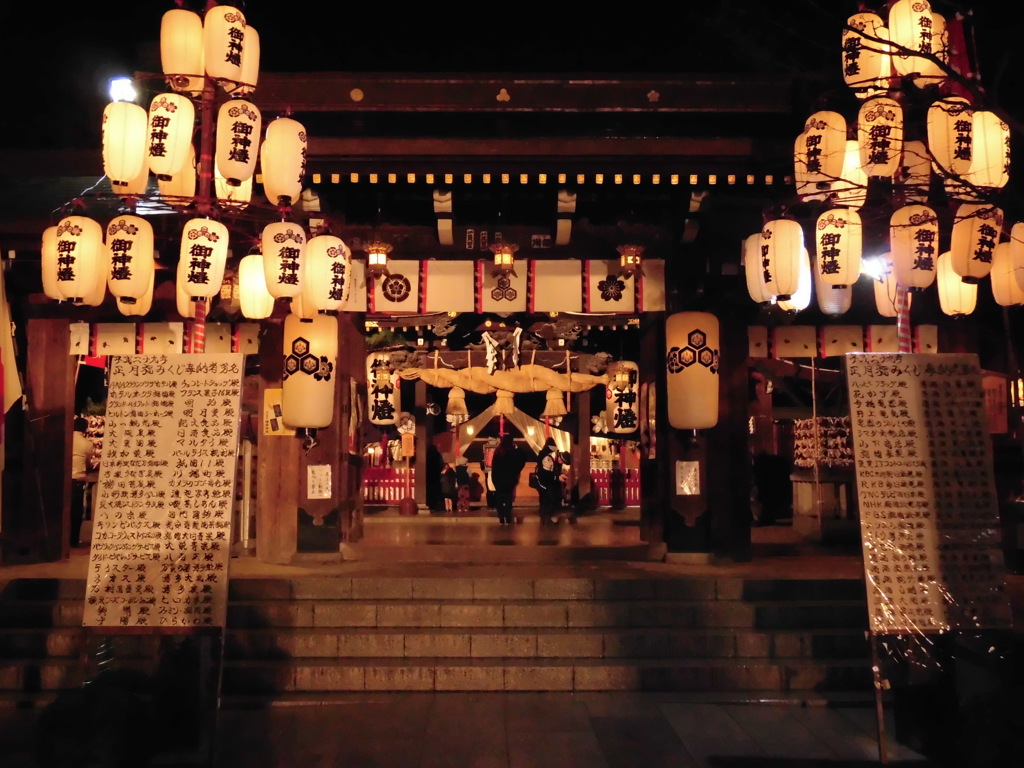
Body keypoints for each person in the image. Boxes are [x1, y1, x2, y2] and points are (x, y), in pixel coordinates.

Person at [70, 416, 96, 547]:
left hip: (65, 480)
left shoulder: (66, 439)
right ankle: (73, 540)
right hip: (78, 479)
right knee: (76, 511)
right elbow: (88, 463)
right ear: (85, 429)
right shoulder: (87, 444)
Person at [490, 434, 526, 525]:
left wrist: (494, 478)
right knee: (508, 499)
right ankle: (508, 517)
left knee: (499, 499)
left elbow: (494, 467)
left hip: (498, 479)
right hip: (509, 479)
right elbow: (521, 460)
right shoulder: (513, 452)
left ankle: (501, 518)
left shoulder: (498, 452)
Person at [534, 437, 563, 525]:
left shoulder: (542, 454)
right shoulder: (549, 456)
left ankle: (544, 517)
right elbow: (548, 471)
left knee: (543, 498)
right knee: (550, 498)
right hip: (548, 481)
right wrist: (556, 477)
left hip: (542, 480)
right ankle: (547, 517)